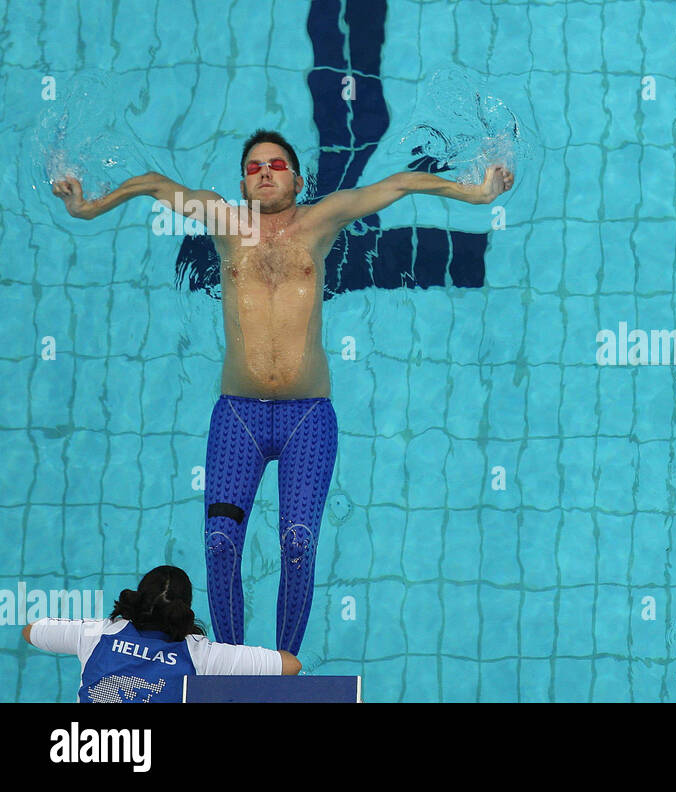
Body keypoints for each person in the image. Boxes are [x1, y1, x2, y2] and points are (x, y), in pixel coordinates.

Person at [51, 130, 514, 654]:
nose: (265, 172)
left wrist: (476, 193)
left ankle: (282, 667)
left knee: (297, 544)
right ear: (243, 183)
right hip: (238, 419)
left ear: (297, 178)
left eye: (276, 164)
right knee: (221, 545)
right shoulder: (223, 221)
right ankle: (231, 663)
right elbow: (155, 184)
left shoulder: (323, 219)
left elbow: (401, 183)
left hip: (307, 418)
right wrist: (90, 208)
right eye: (253, 167)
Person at [24, 565, 299, 703]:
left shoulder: (95, 634)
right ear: (185, 609)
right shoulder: (201, 655)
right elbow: (290, 665)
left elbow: (31, 631)